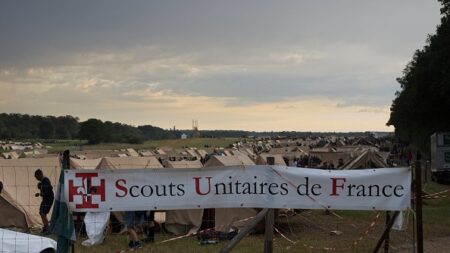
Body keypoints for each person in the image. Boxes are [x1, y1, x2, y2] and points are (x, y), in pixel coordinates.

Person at [34, 169, 54, 234]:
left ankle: (48, 229)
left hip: (48, 199)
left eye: (37, 177)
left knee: (42, 213)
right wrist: (40, 189)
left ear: (40, 174)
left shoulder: (46, 181)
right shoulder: (43, 181)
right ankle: (46, 227)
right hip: (46, 199)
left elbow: (47, 192)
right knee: (42, 212)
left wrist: (41, 193)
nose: (36, 179)